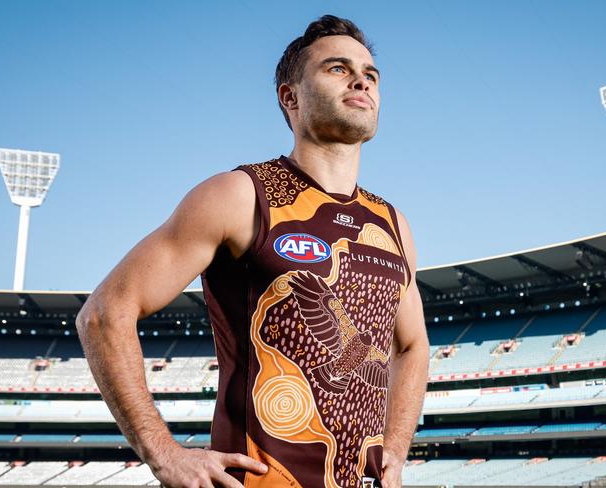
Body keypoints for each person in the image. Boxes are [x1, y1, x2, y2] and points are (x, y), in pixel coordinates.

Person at [76, 14, 429, 488]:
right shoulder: (239, 195)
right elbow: (103, 313)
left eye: (370, 73)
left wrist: (397, 449)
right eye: (337, 68)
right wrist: (165, 456)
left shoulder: (392, 223)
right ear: (290, 97)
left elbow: (412, 345)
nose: (361, 79)